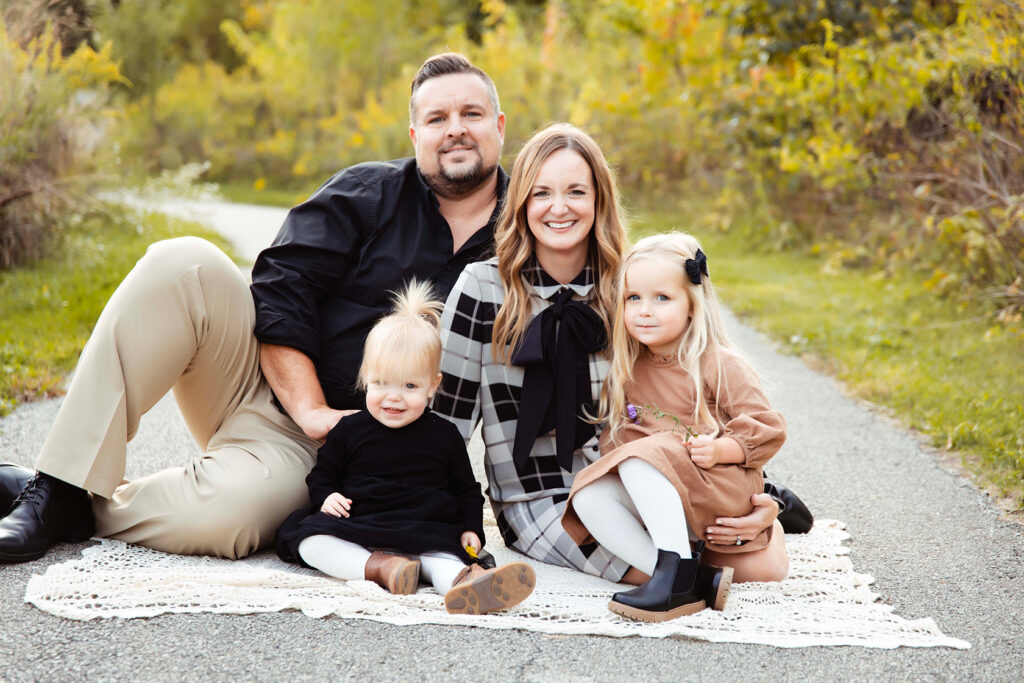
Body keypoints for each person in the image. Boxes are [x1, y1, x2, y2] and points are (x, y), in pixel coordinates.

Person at [0, 52, 508, 562]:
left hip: (357, 454)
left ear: (500, 126)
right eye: (437, 118)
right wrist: (311, 411)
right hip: (263, 394)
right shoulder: (366, 194)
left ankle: (75, 505)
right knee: (185, 263)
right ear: (415, 135)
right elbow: (280, 288)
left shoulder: (525, 236)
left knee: (228, 517)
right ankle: (58, 482)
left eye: (471, 114)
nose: (455, 130)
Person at [561, 233, 788, 622]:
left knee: (641, 458)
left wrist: (721, 450)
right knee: (588, 493)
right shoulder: (628, 368)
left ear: (691, 306)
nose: (644, 311)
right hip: (662, 492)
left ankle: (775, 506)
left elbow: (767, 428)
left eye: (661, 298)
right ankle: (685, 578)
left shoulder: (716, 362)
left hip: (715, 481)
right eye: (634, 298)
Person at [274, 281, 535, 614]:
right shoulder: (349, 429)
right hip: (362, 525)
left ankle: (468, 584)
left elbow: (466, 490)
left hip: (425, 528)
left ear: (432, 386)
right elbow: (323, 474)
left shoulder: (444, 434)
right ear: (366, 377)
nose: (393, 396)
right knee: (309, 538)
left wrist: (471, 528)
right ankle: (381, 567)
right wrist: (327, 496)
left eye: (409, 385)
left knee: (444, 557)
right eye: (381, 383)